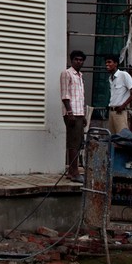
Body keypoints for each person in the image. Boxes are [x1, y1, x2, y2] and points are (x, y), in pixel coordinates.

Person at [60, 50, 87, 183]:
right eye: (76, 59)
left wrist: (84, 115)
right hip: (72, 114)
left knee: (78, 142)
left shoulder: (80, 75)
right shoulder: (67, 73)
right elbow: (65, 95)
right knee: (73, 143)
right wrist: (69, 112)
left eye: (81, 60)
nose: (79, 62)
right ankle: (74, 172)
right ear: (72, 60)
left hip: (79, 113)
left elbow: (81, 97)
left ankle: (72, 171)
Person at [105, 54, 132, 134]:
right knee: (112, 137)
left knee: (122, 137)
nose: (107, 64)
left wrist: (124, 105)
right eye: (106, 63)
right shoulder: (111, 78)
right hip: (112, 111)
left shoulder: (123, 75)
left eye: (109, 62)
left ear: (116, 64)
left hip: (120, 112)